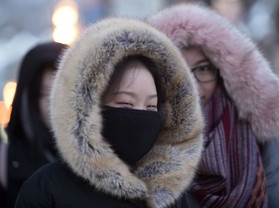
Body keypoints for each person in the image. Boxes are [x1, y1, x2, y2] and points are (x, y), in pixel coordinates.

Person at [14, 18, 204, 208]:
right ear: (89, 108)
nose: (140, 116)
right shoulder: (47, 190)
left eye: (151, 106)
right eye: (126, 103)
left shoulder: (174, 198)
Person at [148, 3, 279, 208]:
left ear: (222, 74)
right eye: (180, 70)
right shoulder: (145, 135)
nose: (192, 86)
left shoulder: (258, 139)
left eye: (203, 69)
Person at [0, 42, 67, 208]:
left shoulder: (100, 160)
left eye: (61, 92)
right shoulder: (5, 161)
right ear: (28, 99)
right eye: (44, 94)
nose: (54, 102)